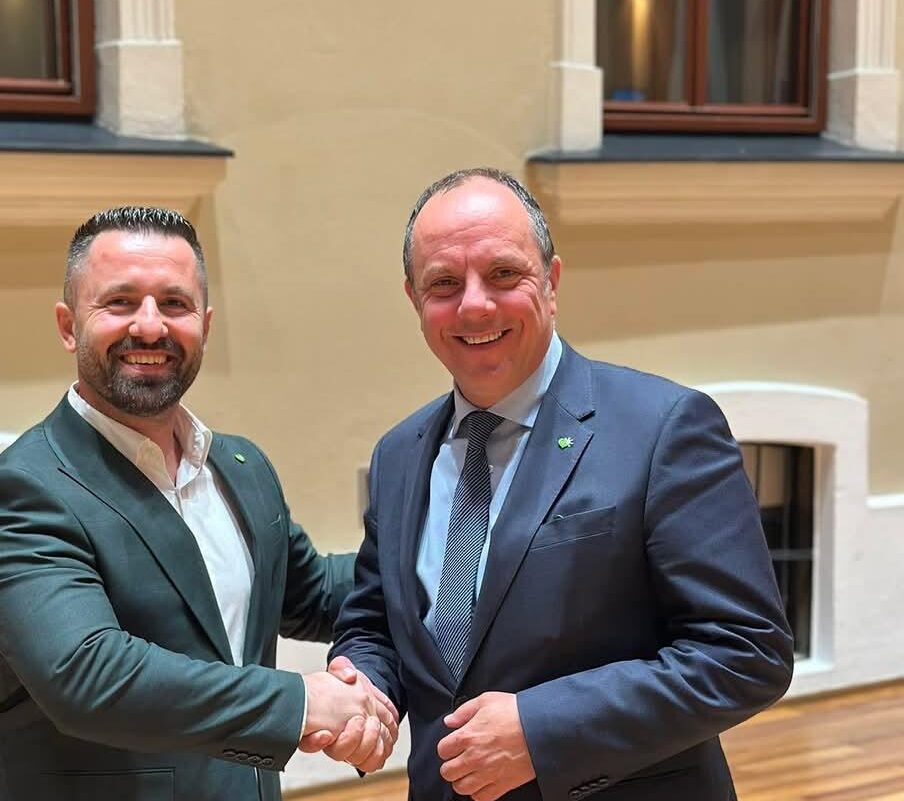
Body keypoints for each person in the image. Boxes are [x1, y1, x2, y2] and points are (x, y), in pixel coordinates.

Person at [328, 168, 794, 801]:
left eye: (503, 274)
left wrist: (544, 729)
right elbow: (376, 622)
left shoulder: (664, 428)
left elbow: (746, 652)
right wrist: (365, 690)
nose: (473, 305)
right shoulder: (399, 454)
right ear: (415, 300)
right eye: (444, 283)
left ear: (550, 282)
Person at [0, 206, 396, 801]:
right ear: (68, 325)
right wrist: (302, 703)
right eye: (120, 302)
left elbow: (312, 594)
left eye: (174, 303)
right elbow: (89, 675)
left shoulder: (241, 466)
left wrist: (443, 564)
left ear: (204, 326)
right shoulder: (19, 493)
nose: (149, 326)